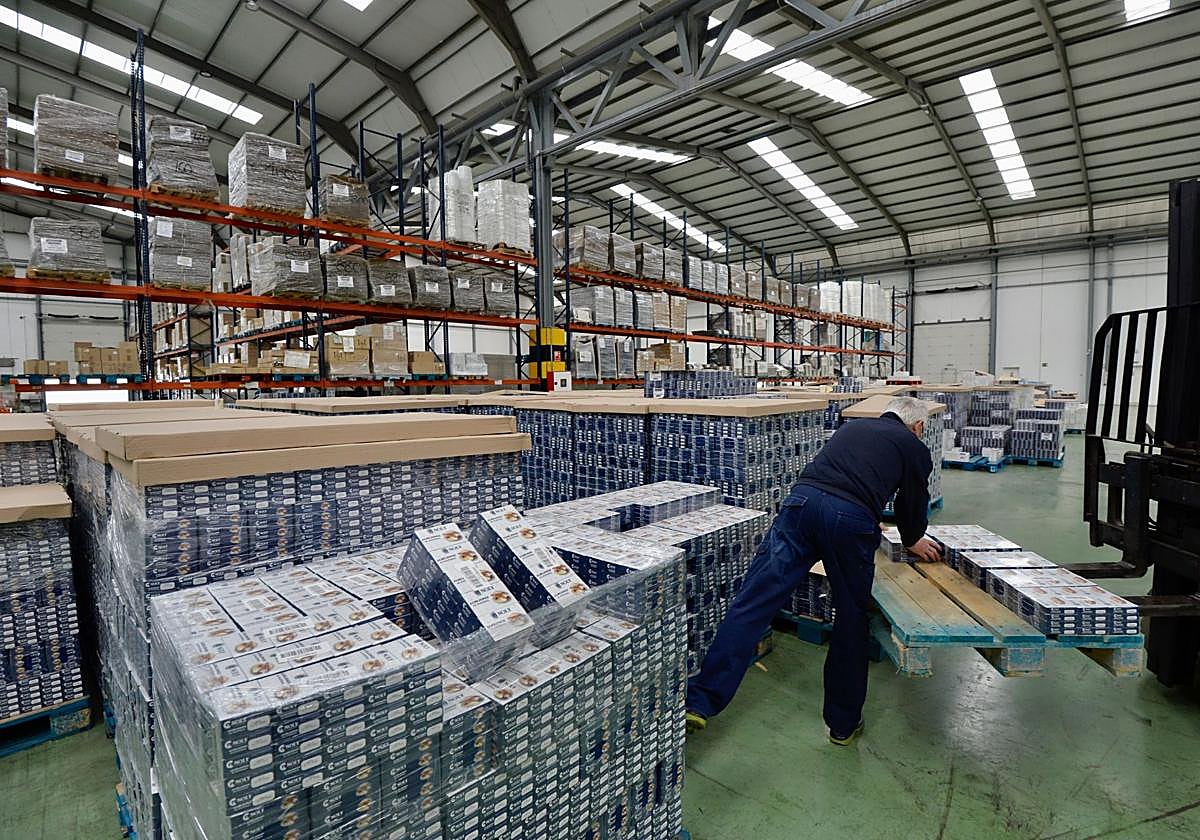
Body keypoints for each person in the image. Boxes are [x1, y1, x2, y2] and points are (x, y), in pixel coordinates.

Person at [685, 395, 942, 745]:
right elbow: (911, 505)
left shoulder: (852, 428)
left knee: (754, 601)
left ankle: (699, 701)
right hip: (848, 521)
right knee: (850, 618)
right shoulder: (912, 446)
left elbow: (844, 478)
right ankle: (842, 724)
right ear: (918, 426)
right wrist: (912, 538)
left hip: (800, 505)